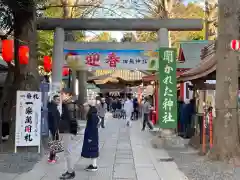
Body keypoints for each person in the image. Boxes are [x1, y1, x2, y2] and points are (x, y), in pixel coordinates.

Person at [59, 91, 78, 180]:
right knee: (66, 152)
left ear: (69, 95)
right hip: (64, 130)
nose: (61, 96)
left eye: (63, 94)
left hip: (68, 131)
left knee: (68, 152)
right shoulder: (65, 104)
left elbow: (73, 120)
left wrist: (73, 133)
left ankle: (71, 172)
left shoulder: (70, 105)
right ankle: (69, 170)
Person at [81, 99, 100, 171]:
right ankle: (93, 164)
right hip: (93, 135)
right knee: (93, 149)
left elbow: (93, 127)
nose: (86, 108)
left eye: (87, 107)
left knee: (93, 149)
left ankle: (94, 166)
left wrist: (90, 137)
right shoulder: (94, 114)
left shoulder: (92, 115)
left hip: (92, 135)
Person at [47, 95, 61, 163]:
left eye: (59, 100)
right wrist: (56, 129)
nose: (59, 101)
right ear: (54, 100)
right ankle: (52, 158)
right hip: (54, 128)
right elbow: (54, 119)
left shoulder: (52, 106)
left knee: (53, 143)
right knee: (54, 143)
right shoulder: (53, 108)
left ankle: (51, 157)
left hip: (52, 127)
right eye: (57, 100)